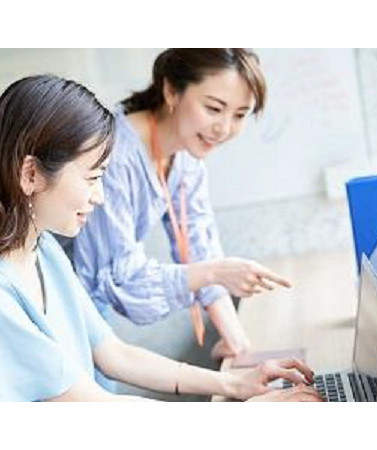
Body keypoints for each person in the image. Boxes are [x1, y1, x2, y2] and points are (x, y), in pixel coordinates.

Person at [0, 74, 321, 402]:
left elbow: (115, 355)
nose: (100, 196)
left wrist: (235, 383)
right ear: (31, 174)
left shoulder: (43, 251)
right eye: (92, 178)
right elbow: (93, 406)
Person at [73, 49, 292, 360]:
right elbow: (125, 283)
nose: (224, 128)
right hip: (52, 307)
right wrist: (216, 272)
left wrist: (237, 342)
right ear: (171, 91)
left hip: (89, 309)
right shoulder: (115, 157)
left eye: (240, 115)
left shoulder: (186, 154)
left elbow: (200, 246)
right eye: (214, 108)